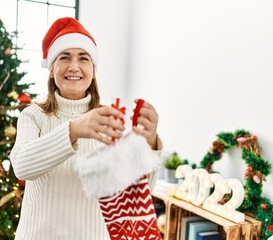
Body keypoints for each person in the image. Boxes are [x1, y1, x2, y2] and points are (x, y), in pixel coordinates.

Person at [10, 17, 162, 240]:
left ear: (92, 70)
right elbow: (23, 167)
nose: (74, 66)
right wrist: (73, 130)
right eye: (64, 57)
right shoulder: (33, 116)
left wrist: (149, 146)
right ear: (52, 70)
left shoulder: (110, 119)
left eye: (83, 58)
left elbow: (137, 192)